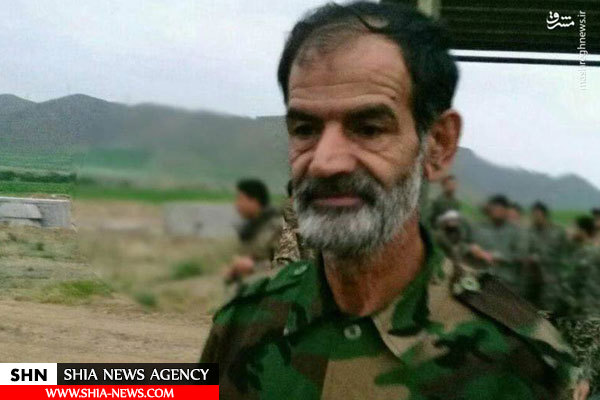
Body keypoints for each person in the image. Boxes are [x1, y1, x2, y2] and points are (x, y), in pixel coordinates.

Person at [201, 3, 577, 398]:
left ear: (438, 144)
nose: (326, 162)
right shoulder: (242, 323)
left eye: (368, 128)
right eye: (305, 129)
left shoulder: (524, 362)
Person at [224, 178, 283, 284]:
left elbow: (288, 265)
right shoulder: (250, 228)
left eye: (240, 199)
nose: (237, 205)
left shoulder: (277, 227)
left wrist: (254, 267)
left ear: (254, 201)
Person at [471, 195, 527, 291]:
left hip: (505, 282)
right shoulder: (479, 227)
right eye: (495, 208)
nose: (497, 212)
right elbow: (469, 247)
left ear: (506, 211)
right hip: (481, 278)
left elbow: (521, 255)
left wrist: (499, 256)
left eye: (501, 209)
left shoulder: (515, 231)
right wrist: (476, 251)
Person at [525, 201, 569, 307]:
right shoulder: (528, 232)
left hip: (552, 280)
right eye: (534, 215)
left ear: (544, 215)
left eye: (538, 215)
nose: (535, 218)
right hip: (532, 280)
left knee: (550, 308)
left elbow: (566, 253)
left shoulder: (558, 232)